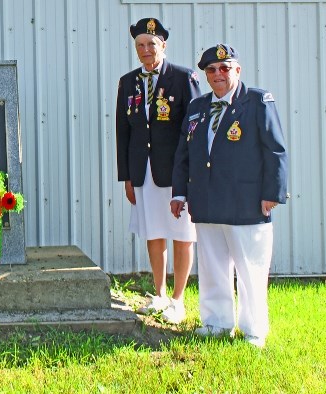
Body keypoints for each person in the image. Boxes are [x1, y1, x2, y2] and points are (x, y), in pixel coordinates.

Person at [171, 44, 288, 347]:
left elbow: (275, 150)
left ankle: (254, 330)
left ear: (237, 70)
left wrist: (272, 192)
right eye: (212, 69)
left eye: (225, 68)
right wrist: (180, 193)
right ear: (206, 75)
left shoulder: (258, 101)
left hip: (247, 203)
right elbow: (184, 154)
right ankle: (216, 322)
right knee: (211, 268)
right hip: (207, 202)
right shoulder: (197, 107)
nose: (218, 74)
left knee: (251, 271)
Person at [115, 18, 200, 323]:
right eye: (140, 45)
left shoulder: (183, 77)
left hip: (176, 170)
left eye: (151, 44)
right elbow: (122, 131)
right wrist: (126, 176)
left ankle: (178, 300)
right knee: (153, 230)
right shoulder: (128, 82)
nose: (146, 50)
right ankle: (160, 294)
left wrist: (189, 171)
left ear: (163, 45)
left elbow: (194, 128)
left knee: (181, 232)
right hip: (143, 170)